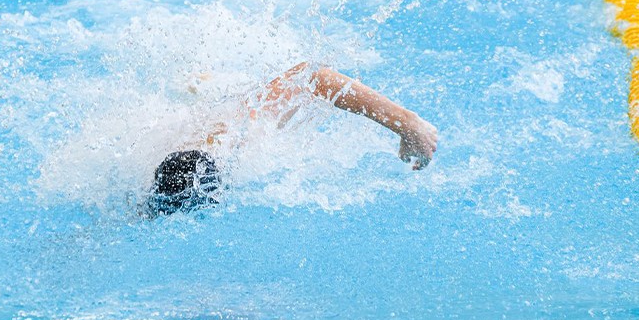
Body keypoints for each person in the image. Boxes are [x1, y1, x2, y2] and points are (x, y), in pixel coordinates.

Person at [147, 61, 438, 216]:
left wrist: (406, 124)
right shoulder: (151, 162)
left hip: (222, 104)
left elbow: (314, 76)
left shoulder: (237, 135)